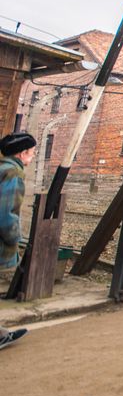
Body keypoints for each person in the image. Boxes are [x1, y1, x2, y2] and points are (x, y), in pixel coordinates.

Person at [0, 131, 35, 350]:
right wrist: (15, 241)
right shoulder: (12, 173)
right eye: (31, 153)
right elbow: (5, 214)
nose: (32, 157)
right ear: (22, 153)